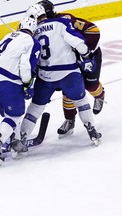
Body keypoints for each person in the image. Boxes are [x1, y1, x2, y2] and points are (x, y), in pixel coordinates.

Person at [21, 4, 102, 145]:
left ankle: (21, 139)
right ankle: (91, 130)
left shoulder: (32, 33)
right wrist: (87, 56)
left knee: (35, 108)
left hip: (45, 77)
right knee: (81, 101)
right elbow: (78, 43)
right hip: (69, 73)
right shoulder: (61, 22)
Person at [0, 16, 41, 164]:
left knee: (10, 113)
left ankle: (16, 144)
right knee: (16, 114)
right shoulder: (33, 42)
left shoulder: (9, 35)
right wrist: (27, 84)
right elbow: (26, 66)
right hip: (6, 80)